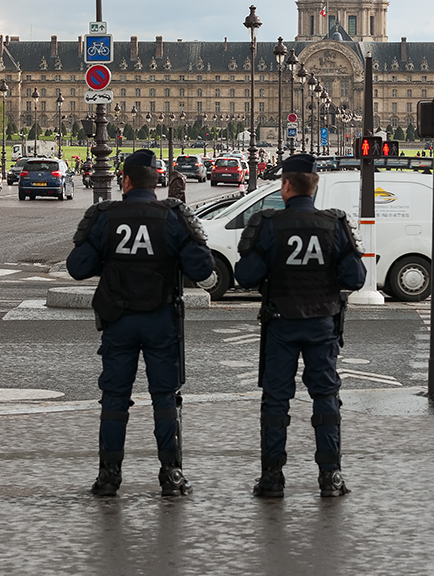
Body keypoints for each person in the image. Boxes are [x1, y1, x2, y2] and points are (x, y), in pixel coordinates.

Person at [66, 149, 215, 498]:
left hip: (118, 319)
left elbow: (76, 267)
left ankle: (109, 475)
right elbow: (203, 270)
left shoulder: (105, 215)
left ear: (126, 180)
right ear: (158, 181)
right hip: (161, 318)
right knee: (164, 397)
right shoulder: (174, 215)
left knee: (114, 398)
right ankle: (171, 473)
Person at [234, 153, 366, 498]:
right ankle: (330, 475)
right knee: (326, 398)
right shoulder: (333, 224)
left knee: (276, 401)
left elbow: (245, 277)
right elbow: (355, 277)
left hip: (281, 323)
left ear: (286, 186)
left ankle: (272, 476)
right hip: (322, 322)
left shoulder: (270, 224)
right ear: (315, 186)